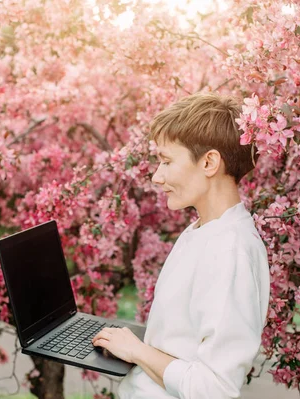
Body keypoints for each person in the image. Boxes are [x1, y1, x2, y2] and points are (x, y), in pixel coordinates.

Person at [92, 92, 270, 398]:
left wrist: (137, 351)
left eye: (166, 161)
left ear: (209, 162)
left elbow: (215, 388)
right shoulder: (201, 231)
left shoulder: (230, 253)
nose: (157, 177)